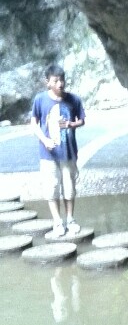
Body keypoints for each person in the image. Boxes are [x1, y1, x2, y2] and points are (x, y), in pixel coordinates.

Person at [30, 64, 86, 238]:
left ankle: (70, 220)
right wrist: (44, 140)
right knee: (52, 187)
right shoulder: (40, 99)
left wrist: (71, 124)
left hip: (68, 152)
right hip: (48, 154)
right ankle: (57, 222)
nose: (60, 84)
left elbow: (82, 120)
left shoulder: (74, 99)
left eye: (62, 80)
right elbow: (34, 123)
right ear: (48, 82)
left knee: (69, 187)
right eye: (55, 81)